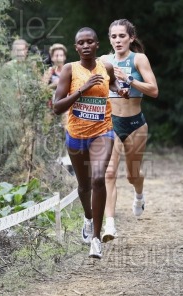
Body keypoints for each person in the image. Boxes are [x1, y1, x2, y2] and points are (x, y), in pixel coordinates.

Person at [53, 27, 129, 258]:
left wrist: (121, 90)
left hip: (102, 131)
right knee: (84, 185)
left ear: (97, 45)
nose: (85, 46)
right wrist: (83, 89)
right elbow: (57, 107)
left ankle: (96, 238)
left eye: (90, 42)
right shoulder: (69, 70)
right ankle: (87, 218)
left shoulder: (105, 66)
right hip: (76, 135)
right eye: (81, 43)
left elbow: (112, 83)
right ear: (76, 47)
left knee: (98, 178)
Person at [100, 19, 159, 243]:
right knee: (109, 173)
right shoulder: (105, 61)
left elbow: (154, 90)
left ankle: (139, 196)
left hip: (135, 124)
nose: (117, 40)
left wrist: (130, 79)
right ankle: (110, 226)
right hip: (112, 123)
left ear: (131, 38)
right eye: (113, 37)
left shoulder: (139, 59)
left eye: (122, 36)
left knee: (132, 175)